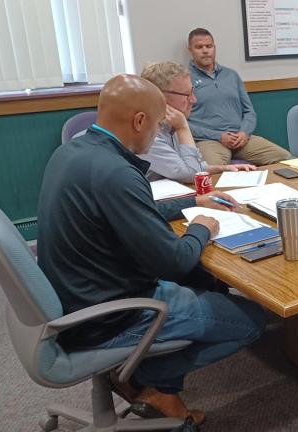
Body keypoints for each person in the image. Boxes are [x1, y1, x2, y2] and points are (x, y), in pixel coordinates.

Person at [37, 75, 267, 424]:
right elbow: (175, 262)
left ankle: (141, 376)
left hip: (76, 296)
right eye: (159, 125)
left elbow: (129, 211)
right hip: (112, 314)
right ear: (140, 121)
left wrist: (193, 200)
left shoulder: (73, 153)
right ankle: (150, 383)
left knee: (203, 284)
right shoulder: (117, 172)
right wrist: (201, 227)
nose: (160, 132)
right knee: (251, 321)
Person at [186, 28, 291, 166]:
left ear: (214, 48)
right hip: (209, 140)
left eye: (209, 46)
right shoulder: (185, 78)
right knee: (214, 170)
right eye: (199, 47)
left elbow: (249, 111)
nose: (205, 51)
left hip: (241, 138)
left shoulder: (231, 75)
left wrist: (244, 132)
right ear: (190, 50)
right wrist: (218, 136)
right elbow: (183, 123)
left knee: (284, 157)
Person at [138, 61, 256, 183]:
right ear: (161, 97)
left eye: (192, 92)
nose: (194, 100)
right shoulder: (148, 135)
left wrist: (224, 168)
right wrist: (183, 127)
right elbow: (192, 174)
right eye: (187, 94)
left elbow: (196, 165)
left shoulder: (171, 123)